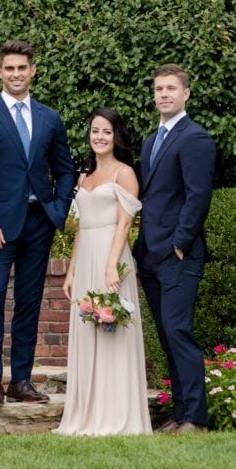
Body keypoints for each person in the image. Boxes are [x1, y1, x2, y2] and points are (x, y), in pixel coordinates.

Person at [0, 39, 75, 406]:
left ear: (32, 71)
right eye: (9, 68)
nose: (15, 74)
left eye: (22, 68)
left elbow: (65, 170)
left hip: (38, 222)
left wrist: (56, 209)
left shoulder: (50, 118)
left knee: (30, 302)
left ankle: (21, 380)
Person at [57, 108, 151, 436]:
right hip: (86, 261)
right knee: (88, 329)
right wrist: (71, 271)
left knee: (112, 331)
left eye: (106, 132)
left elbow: (125, 223)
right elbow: (82, 226)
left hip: (112, 256)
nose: (99, 137)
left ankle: (115, 414)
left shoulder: (124, 174)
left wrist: (111, 265)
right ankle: (87, 412)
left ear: (116, 136)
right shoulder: (84, 177)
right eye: (95, 131)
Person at [133, 64, 215, 433]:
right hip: (150, 255)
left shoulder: (194, 138)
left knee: (179, 332)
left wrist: (180, 243)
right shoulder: (152, 140)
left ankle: (196, 419)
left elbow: (198, 196)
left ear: (186, 94)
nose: (163, 94)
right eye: (158, 89)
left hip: (178, 254)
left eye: (171, 88)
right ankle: (180, 413)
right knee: (167, 337)